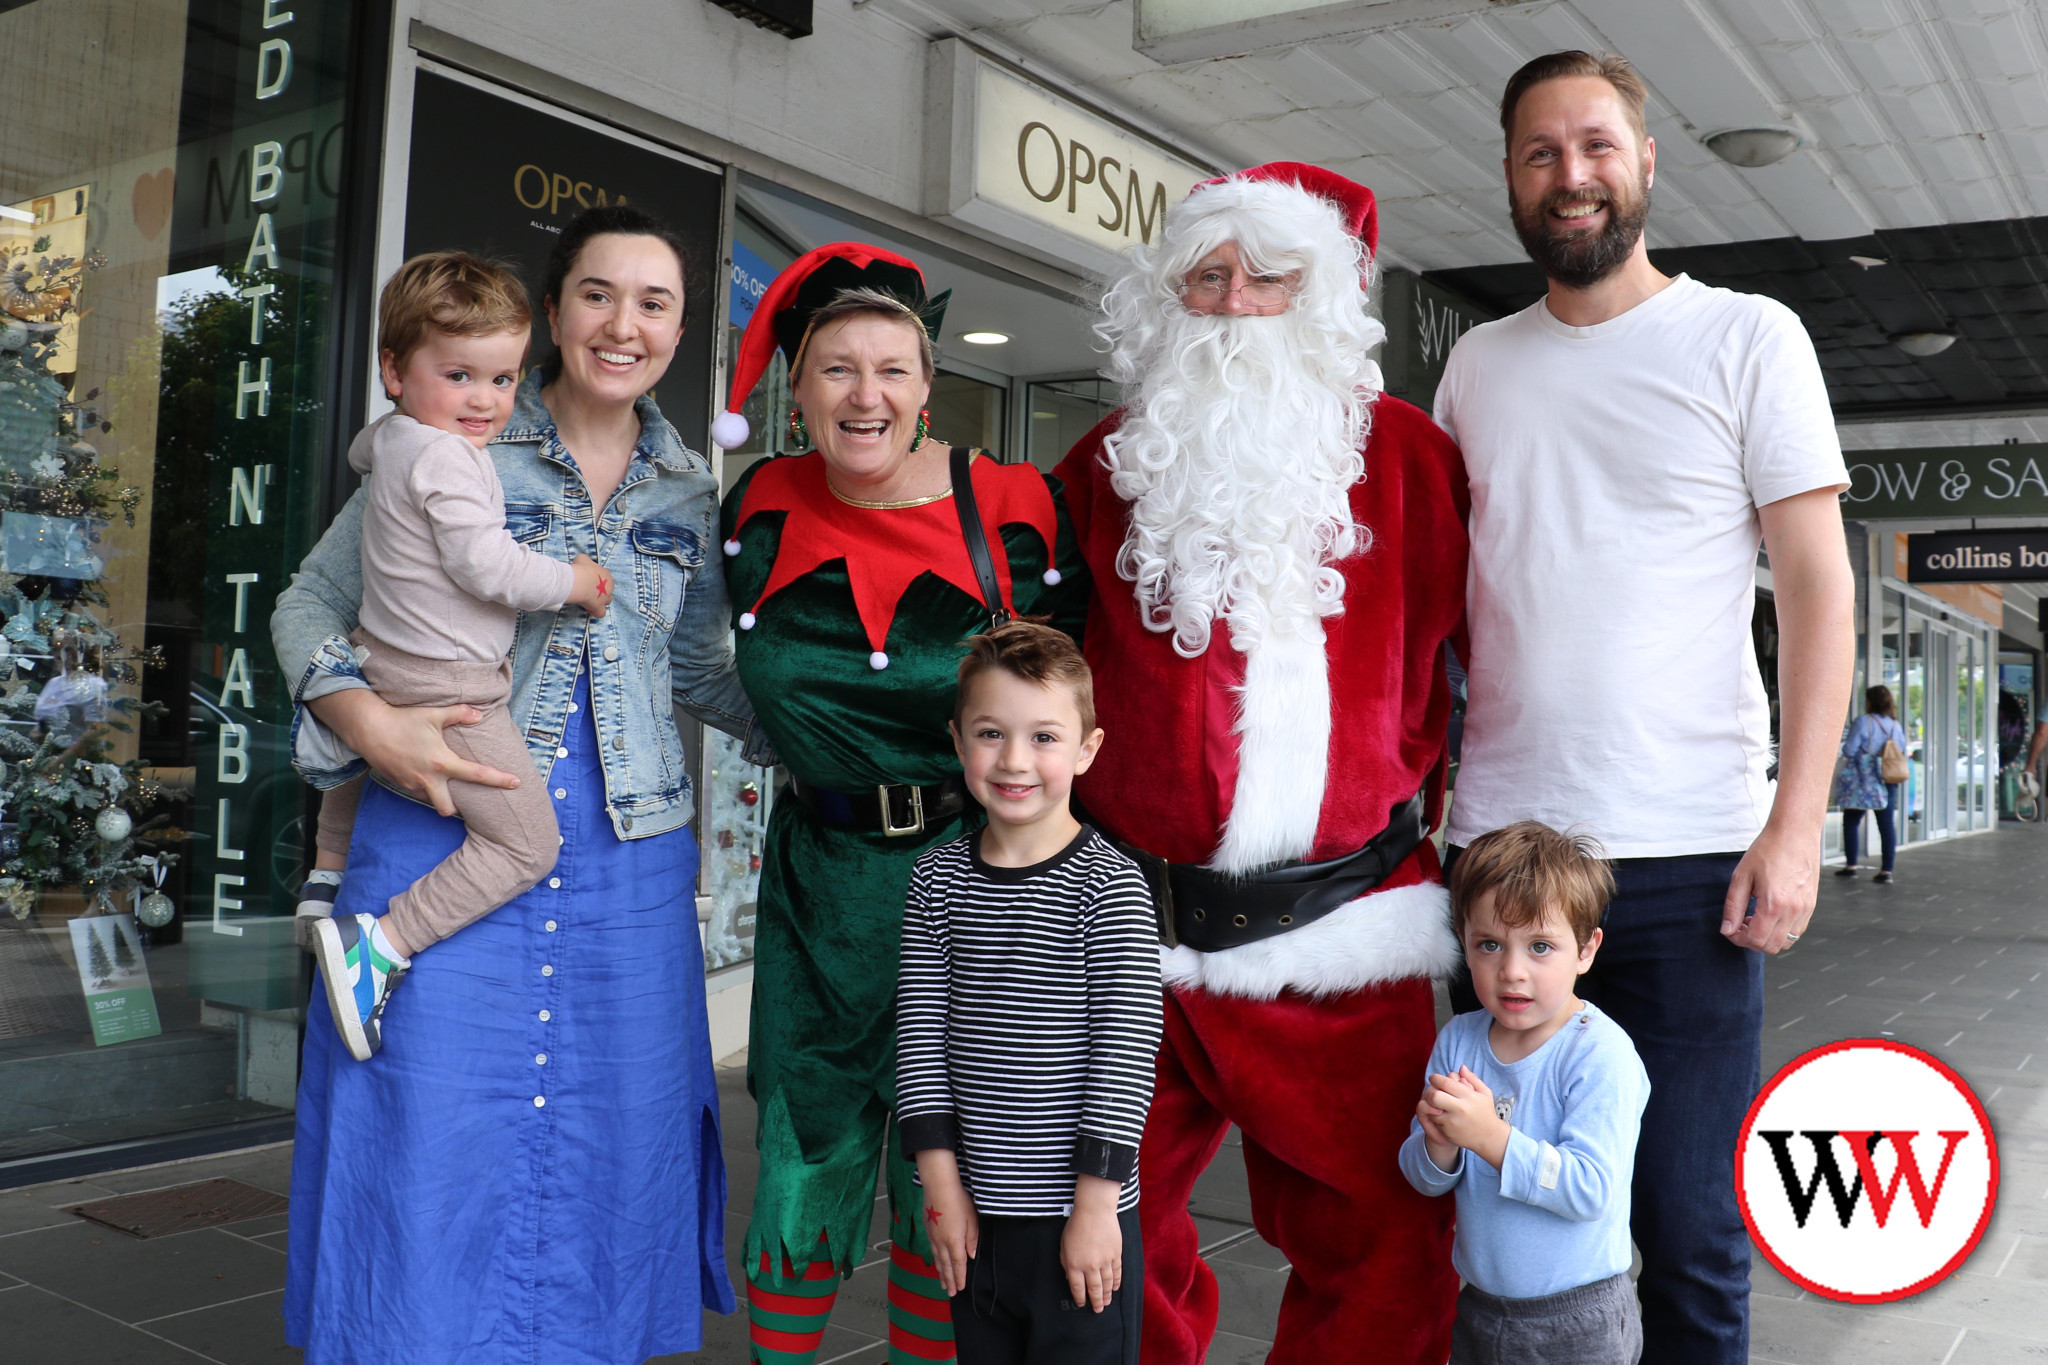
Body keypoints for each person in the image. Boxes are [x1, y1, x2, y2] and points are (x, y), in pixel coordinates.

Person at [272, 205, 764, 1363]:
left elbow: (698, 668)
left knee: (612, 1138)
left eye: (655, 303)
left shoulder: (688, 492)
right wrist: (364, 721)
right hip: (443, 818)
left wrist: (849, 745)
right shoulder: (455, 430)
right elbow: (306, 601)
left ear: (682, 329)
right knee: (421, 1126)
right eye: (598, 294)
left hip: (629, 855)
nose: (623, 323)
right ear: (553, 309)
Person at [1433, 51, 1856, 1364]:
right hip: (1500, 857)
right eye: (1542, 153)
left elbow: (1819, 591)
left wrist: (1798, 827)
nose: (1573, 175)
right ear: (1510, 179)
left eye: (1596, 145)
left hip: (1687, 858)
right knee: (1514, 1217)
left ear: (1646, 161)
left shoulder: (1745, 336)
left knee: (1684, 1222)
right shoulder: (1477, 371)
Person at [1054, 162, 1468, 1365]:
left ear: (1324, 297)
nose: (1233, 303)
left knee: (1385, 1248)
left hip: (1345, 931)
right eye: (1207, 275)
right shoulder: (1102, 465)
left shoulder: (1408, 457)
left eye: (1269, 278)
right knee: (1101, 1234)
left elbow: (1470, 667)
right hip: (1130, 932)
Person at [712, 243, 1087, 1365]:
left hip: (975, 891)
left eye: (890, 369)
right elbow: (686, 659)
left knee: (952, 1184)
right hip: (816, 890)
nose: (863, 395)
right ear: (797, 388)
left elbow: (1079, 698)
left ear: (927, 387)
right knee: (797, 1163)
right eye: (835, 369)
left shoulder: (1018, 508)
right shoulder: (756, 508)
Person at [295, 251, 615, 1062]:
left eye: (503, 380)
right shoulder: (451, 459)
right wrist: (574, 580)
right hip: (455, 680)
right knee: (525, 845)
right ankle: (380, 943)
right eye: (461, 376)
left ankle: (324, 880)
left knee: (356, 768)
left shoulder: (393, 441)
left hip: (383, 657)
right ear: (394, 369)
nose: (485, 401)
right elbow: (488, 567)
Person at [898, 619, 1160, 1365]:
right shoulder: (936, 882)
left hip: (1081, 1216)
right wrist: (941, 1188)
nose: (1015, 760)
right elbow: (918, 1040)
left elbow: (1125, 1053)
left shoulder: (1110, 887)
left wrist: (1094, 1205)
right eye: (991, 733)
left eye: (1044, 737)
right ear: (957, 740)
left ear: (1087, 748)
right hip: (975, 1216)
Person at [1400, 822, 1649, 1365]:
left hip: (1580, 1318)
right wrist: (1439, 1146)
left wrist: (1490, 1138)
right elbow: (1422, 1178)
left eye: (1541, 947)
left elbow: (1590, 1190)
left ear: (1586, 950)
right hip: (1482, 1307)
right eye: (1489, 944)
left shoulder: (1598, 1054)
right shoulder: (1459, 1039)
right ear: (1463, 943)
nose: (1511, 972)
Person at [1834, 685, 1907, 883]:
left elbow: (1849, 750)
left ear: (1869, 701)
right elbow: (1901, 750)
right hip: (1887, 779)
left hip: (1863, 779)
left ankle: (1851, 866)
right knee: (1886, 824)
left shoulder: (1863, 722)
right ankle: (1887, 871)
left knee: (1851, 821)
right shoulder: (1895, 725)